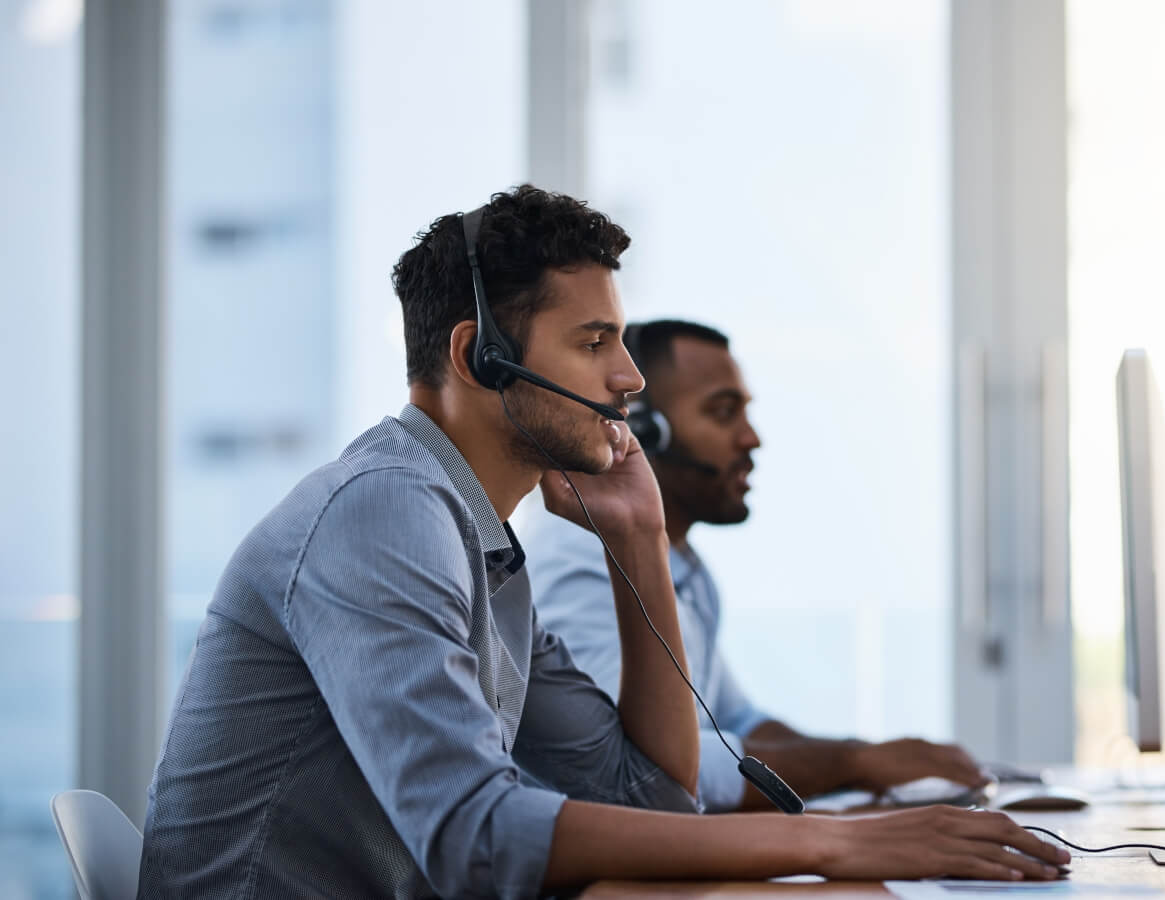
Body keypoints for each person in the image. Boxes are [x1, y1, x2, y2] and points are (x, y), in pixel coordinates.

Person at [137, 186, 1068, 897]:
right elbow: (473, 838)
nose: (626, 378)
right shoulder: (384, 514)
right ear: (477, 358)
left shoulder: (478, 543)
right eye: (593, 343)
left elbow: (655, 799)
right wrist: (832, 840)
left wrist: (640, 536)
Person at [528, 319, 992, 814]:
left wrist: (883, 764)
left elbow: (739, 722)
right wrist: (856, 764)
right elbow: (641, 771)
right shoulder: (582, 559)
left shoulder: (685, 568)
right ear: (641, 430)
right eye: (724, 413)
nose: (751, 439)